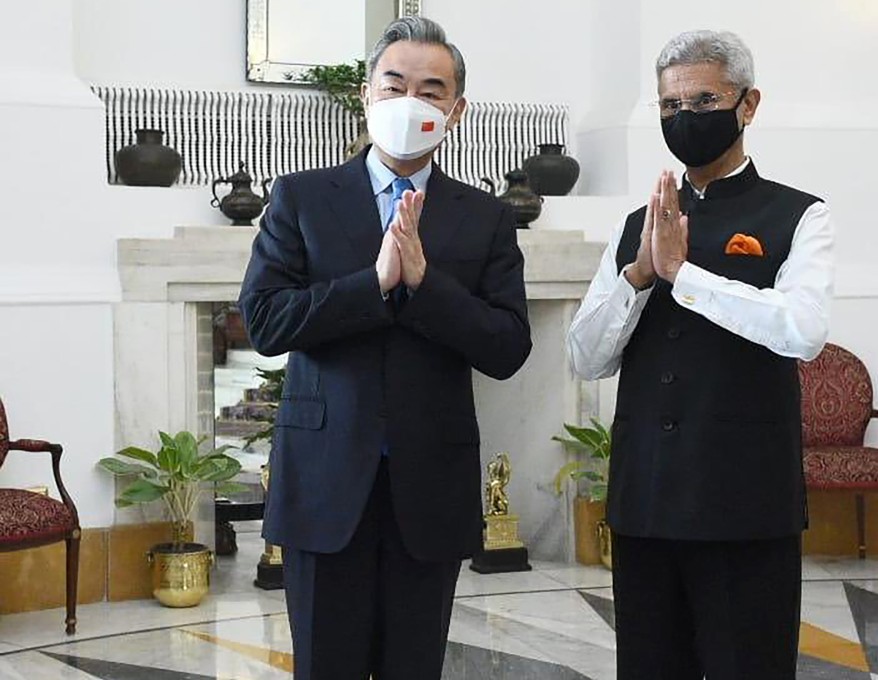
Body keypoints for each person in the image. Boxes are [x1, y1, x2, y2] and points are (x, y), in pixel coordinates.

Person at [238, 17, 531, 680]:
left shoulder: (484, 216)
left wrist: (426, 286)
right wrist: (370, 285)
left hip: (431, 485)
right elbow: (265, 322)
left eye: (432, 90)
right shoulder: (302, 197)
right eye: (395, 84)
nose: (410, 101)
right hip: (323, 482)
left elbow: (508, 346)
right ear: (368, 95)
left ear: (456, 112)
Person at [567, 30, 835, 680]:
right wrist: (637, 276)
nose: (684, 118)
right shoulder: (637, 223)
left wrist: (687, 276)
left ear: (747, 105)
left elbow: (802, 329)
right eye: (669, 107)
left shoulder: (799, 216)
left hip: (746, 505)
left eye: (702, 100)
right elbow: (586, 356)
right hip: (647, 503)